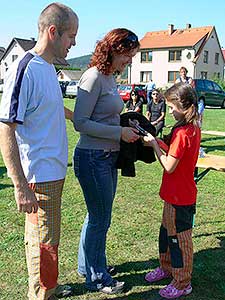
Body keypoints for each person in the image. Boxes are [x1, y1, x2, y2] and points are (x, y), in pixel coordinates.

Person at [0, 3, 78, 300]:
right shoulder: (26, 69)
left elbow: (53, 110)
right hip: (38, 177)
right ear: (53, 31)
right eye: (72, 36)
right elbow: (6, 126)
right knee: (43, 244)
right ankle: (42, 294)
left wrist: (86, 119)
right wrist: (20, 186)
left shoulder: (48, 69)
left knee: (48, 241)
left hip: (53, 173)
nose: (74, 43)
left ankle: (50, 288)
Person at [73, 28, 140, 294]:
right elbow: (80, 122)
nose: (130, 61)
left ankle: (88, 265)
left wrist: (126, 121)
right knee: (101, 218)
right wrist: (118, 132)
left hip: (107, 156)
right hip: (93, 157)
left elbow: (104, 115)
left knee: (97, 216)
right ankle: (97, 277)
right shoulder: (93, 77)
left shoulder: (110, 76)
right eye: (127, 55)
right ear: (113, 49)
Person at [143, 83, 201, 299]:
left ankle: (182, 282)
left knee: (179, 240)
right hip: (173, 195)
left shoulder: (184, 133)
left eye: (172, 107)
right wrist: (156, 142)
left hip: (180, 198)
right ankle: (167, 268)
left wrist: (156, 147)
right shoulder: (189, 129)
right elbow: (177, 156)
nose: (170, 112)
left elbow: (169, 165)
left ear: (184, 107)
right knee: (166, 234)